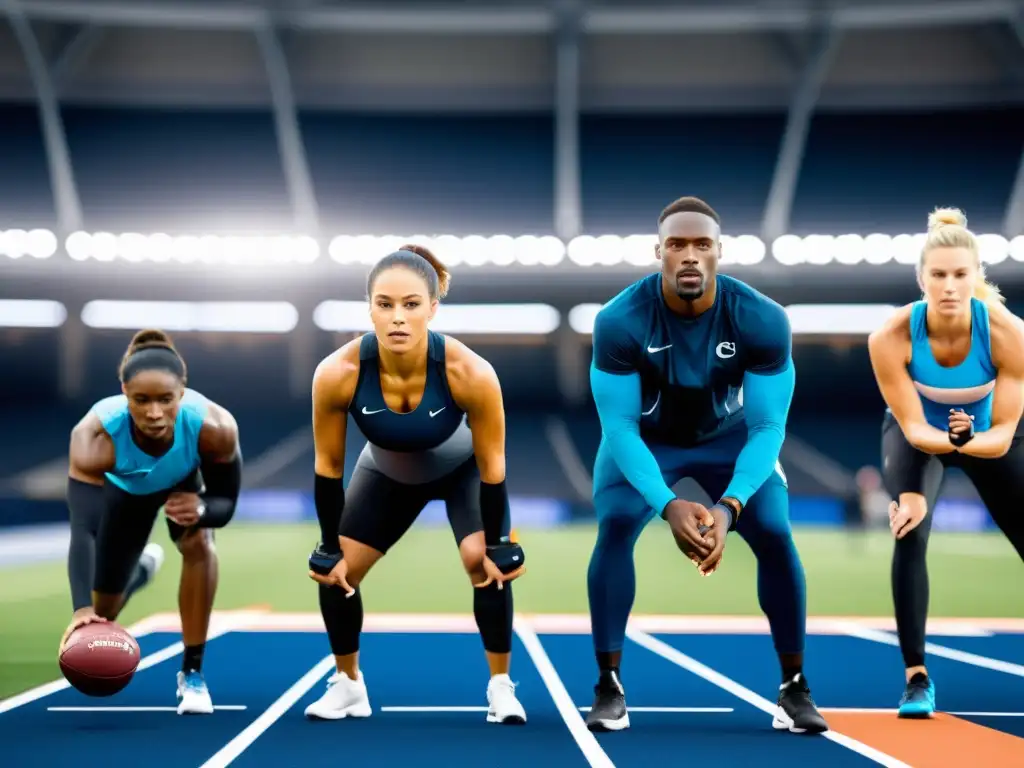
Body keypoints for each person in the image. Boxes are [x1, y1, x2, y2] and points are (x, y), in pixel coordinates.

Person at [584, 196, 828, 735]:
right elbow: (619, 429)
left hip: (730, 437)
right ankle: (609, 684)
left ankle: (793, 685)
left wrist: (730, 507)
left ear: (720, 252)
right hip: (648, 440)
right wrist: (668, 505)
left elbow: (767, 428)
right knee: (618, 524)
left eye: (701, 245)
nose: (689, 256)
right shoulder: (618, 320)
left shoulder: (762, 318)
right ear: (659, 253)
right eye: (677, 245)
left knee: (773, 529)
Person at [305, 244, 527, 725]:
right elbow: (328, 466)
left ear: (433, 307)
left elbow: (493, 465)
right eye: (385, 305)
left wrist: (500, 541)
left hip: (463, 471)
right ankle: (349, 685)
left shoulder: (470, 372)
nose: (398, 318)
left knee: (482, 561)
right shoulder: (337, 374)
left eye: (410, 304)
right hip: (386, 473)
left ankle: (501, 686)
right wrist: (327, 545)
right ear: (370, 309)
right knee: (337, 570)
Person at [868, 207, 1024, 718]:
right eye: (938, 275)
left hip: (988, 437)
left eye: (961, 274)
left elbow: (1002, 435)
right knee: (908, 528)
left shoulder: (1008, 333)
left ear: (977, 276)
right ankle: (917, 679)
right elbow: (913, 430)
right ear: (921, 280)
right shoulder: (890, 337)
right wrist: (912, 488)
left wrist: (967, 438)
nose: (950, 286)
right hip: (918, 436)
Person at [58, 329, 243, 714]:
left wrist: (203, 509)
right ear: (124, 391)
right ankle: (137, 575)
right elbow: (83, 528)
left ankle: (192, 674)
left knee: (199, 543)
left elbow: (225, 503)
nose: (155, 413)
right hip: (125, 495)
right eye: (141, 400)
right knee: (103, 613)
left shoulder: (215, 427)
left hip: (183, 486)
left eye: (165, 399)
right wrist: (80, 610)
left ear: (183, 391)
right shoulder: (93, 436)